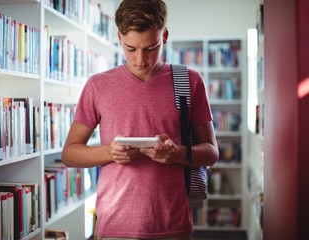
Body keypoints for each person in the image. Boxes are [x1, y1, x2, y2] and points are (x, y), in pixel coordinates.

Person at [61, 0, 219, 239]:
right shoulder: (98, 85)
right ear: (119, 37)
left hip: (172, 224)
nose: (140, 60)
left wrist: (176, 153)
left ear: (164, 36)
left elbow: (211, 153)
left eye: (151, 47)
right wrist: (109, 152)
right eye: (131, 49)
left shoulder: (189, 82)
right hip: (114, 225)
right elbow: (70, 154)